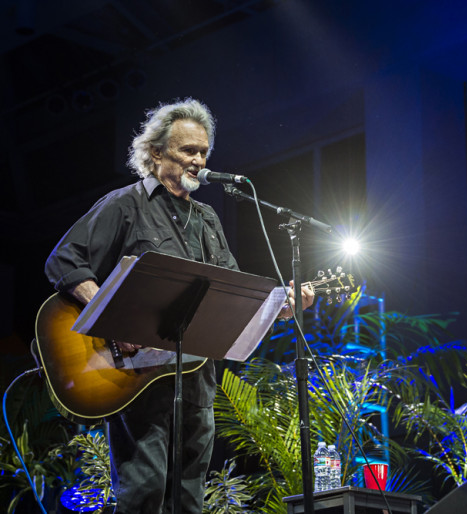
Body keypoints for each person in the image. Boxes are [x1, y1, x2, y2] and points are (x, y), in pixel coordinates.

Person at [44, 98, 314, 513]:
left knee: (189, 499)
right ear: (155, 153)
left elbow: (234, 297)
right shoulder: (125, 204)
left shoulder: (208, 220)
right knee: (144, 492)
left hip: (196, 381)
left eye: (203, 152)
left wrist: (282, 305)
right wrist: (109, 316)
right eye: (188, 150)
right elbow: (64, 261)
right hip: (137, 379)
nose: (198, 161)